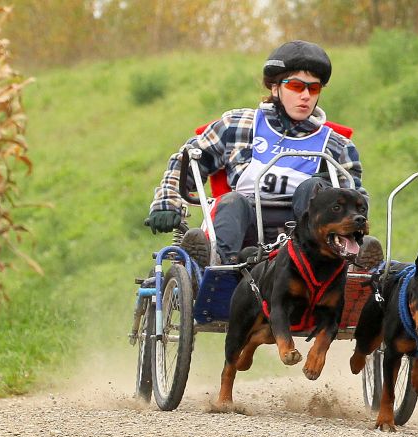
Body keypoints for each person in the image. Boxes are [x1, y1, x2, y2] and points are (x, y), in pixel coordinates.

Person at [148, 40, 382, 268]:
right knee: (232, 201)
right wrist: (167, 203)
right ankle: (215, 269)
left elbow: (358, 200)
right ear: (275, 87)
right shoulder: (238, 125)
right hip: (244, 226)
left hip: (302, 238)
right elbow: (187, 161)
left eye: (314, 88)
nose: (305, 96)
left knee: (314, 189)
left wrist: (332, 196)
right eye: (296, 86)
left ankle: (355, 258)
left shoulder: (336, 145)